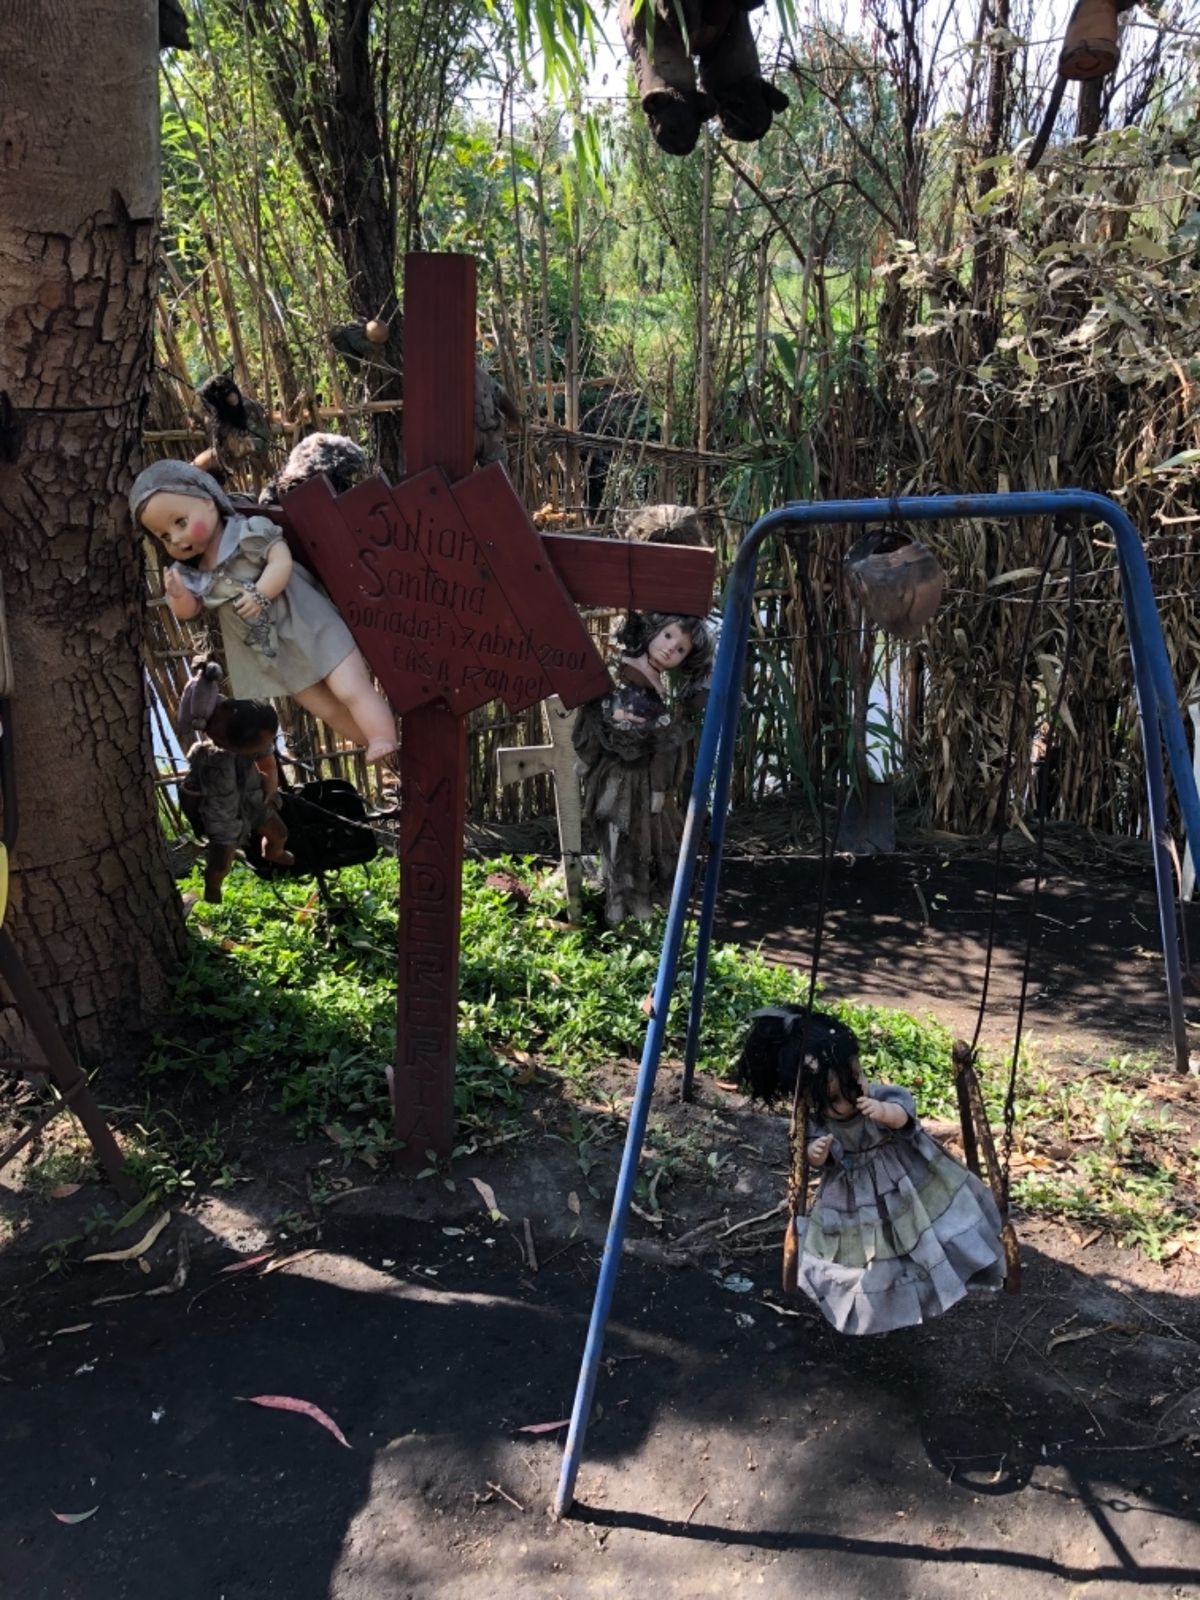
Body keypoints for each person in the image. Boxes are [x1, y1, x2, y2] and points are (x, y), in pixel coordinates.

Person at [131, 460, 397, 761]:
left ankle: (382, 735)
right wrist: (178, 595)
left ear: (208, 502)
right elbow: (190, 611)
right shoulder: (196, 574)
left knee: (349, 688)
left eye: (180, 522)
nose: (176, 538)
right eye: (165, 536)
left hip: (310, 624)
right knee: (324, 706)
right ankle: (374, 744)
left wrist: (261, 593)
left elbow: (280, 561)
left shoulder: (248, 534)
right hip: (273, 652)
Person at [786, 1014, 1005, 1335]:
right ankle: (883, 1303)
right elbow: (810, 1153)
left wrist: (886, 1114)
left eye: (856, 1080)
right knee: (872, 1254)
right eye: (834, 1098)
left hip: (908, 1178)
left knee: (930, 1229)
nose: (850, 1100)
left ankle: (957, 1269)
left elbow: (905, 1116)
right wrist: (816, 1153)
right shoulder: (820, 1122)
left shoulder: (879, 1098)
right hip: (855, 1197)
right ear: (812, 1100)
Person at [179, 694, 294, 904]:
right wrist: (196, 821)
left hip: (253, 801)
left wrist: (271, 790)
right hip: (222, 816)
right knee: (221, 862)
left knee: (279, 833)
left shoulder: (254, 737)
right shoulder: (203, 756)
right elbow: (190, 793)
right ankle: (213, 884)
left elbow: (267, 762)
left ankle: (273, 852)